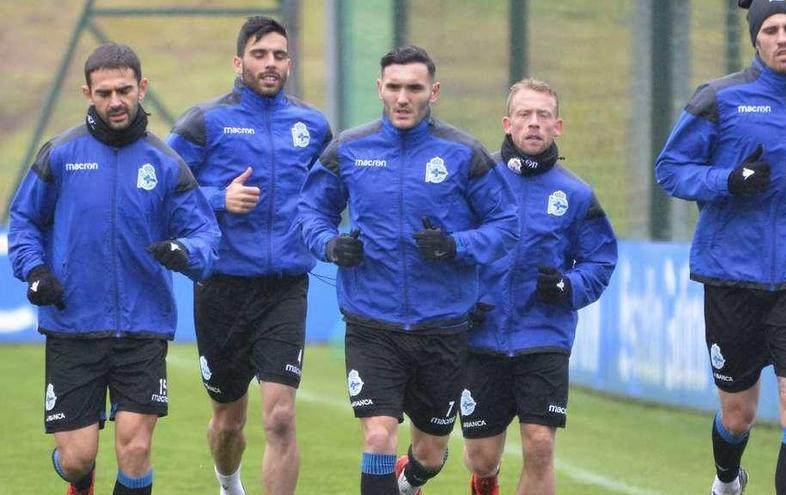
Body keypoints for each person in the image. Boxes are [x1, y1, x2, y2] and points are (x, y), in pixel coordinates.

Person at [655, 1, 786, 493]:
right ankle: (728, 478)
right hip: (732, 274)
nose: (783, 38)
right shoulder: (720, 99)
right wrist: (729, 179)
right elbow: (671, 170)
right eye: (771, 29)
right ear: (756, 39)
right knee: (738, 414)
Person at [298, 45, 519, 495]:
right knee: (378, 433)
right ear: (379, 89)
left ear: (432, 92)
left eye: (414, 88)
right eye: (394, 87)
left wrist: (456, 246)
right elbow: (309, 212)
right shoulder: (350, 149)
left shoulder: (463, 153)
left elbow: (507, 226)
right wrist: (329, 243)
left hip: (443, 327)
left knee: (431, 450)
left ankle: (411, 479)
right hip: (370, 321)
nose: (403, 97)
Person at [7, 42, 219, 495]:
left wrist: (185, 251)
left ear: (142, 87)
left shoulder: (164, 163)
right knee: (77, 456)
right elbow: (24, 220)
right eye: (104, 93)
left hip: (143, 328)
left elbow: (205, 233)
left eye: (124, 89)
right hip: (73, 326)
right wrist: (36, 271)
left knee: (135, 448)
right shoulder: (61, 154)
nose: (116, 101)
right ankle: (79, 479)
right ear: (88, 93)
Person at [166, 16, 332, 495]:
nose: (271, 64)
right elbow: (162, 189)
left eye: (279, 55)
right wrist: (219, 199)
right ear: (239, 62)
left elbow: (334, 191)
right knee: (228, 422)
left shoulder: (313, 125)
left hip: (285, 290)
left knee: (280, 417)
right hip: (221, 288)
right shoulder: (204, 122)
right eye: (260, 55)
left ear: (290, 63)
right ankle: (228, 482)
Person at [460, 79, 618, 495]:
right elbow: (449, 246)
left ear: (558, 126)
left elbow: (600, 260)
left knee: (541, 444)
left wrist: (569, 288)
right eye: (525, 115)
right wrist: (462, 300)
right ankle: (485, 480)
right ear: (507, 123)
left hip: (544, 335)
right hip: (481, 336)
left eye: (543, 115)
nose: (534, 124)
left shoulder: (577, 194)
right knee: (482, 456)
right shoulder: (476, 181)